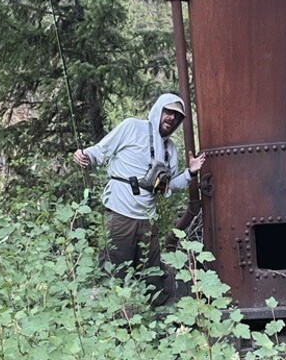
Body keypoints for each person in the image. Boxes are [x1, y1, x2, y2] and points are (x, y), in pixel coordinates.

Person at [73, 93, 205, 305]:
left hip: (147, 221)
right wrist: (84, 154)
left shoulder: (170, 150)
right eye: (168, 112)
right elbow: (101, 150)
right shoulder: (132, 127)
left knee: (152, 276)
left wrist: (190, 172)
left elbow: (169, 186)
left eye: (177, 116)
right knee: (114, 272)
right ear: (158, 110)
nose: (171, 118)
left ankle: (151, 323)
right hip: (120, 215)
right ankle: (108, 320)